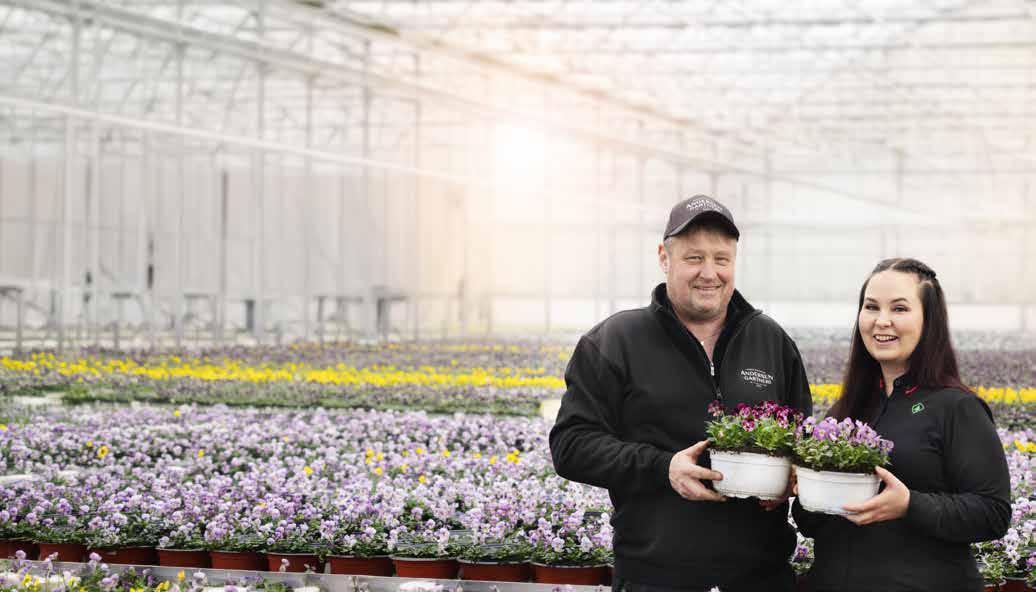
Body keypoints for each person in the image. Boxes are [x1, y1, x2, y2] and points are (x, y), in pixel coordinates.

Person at [549, 195, 813, 591]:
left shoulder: (771, 341)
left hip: (762, 577)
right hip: (655, 577)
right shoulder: (616, 341)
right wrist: (663, 468)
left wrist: (791, 474)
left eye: (721, 259)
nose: (709, 273)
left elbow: (803, 439)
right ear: (664, 257)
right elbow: (571, 445)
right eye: (694, 258)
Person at [792, 258, 1011, 591]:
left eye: (899, 309)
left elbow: (992, 513)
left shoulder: (956, 407)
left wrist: (909, 504)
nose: (882, 321)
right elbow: (813, 524)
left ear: (929, 320)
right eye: (871, 307)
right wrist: (805, 489)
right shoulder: (845, 412)